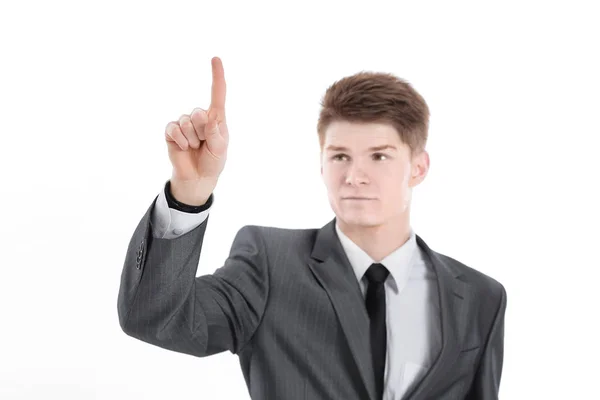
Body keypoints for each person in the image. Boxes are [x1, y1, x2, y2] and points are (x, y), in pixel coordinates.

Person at [117, 57, 507, 400]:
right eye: (340, 156)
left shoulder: (478, 298)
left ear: (418, 167)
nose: (355, 176)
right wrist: (190, 192)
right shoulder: (269, 264)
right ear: (322, 164)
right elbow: (155, 319)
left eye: (379, 156)